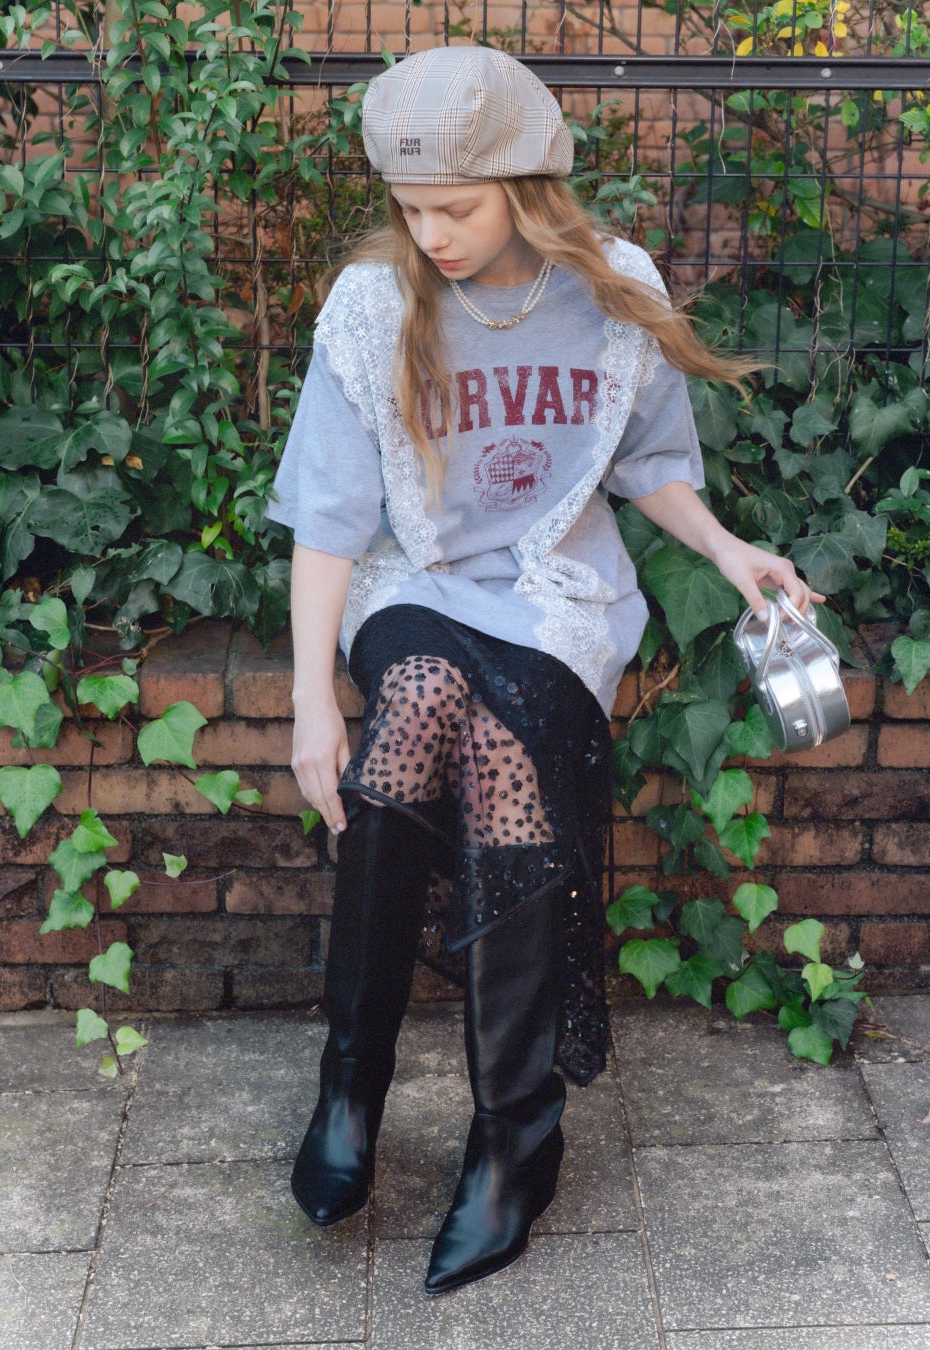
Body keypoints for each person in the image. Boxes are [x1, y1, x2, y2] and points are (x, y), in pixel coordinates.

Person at [267, 44, 822, 1296]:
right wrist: (310, 701)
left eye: (455, 209)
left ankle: (510, 1134)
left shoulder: (613, 290)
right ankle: (351, 1090)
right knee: (418, 697)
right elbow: (330, 519)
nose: (430, 235)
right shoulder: (371, 305)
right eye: (410, 209)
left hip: (555, 596)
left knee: (496, 742)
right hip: (413, 580)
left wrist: (729, 552)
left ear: (526, 187)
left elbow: (648, 464)